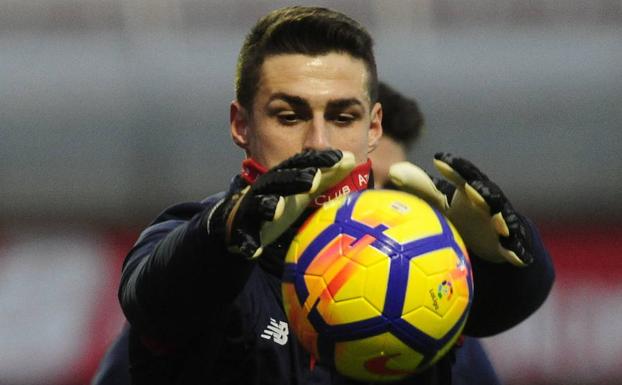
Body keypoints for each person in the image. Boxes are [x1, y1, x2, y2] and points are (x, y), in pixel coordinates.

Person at [108, 6, 554, 385]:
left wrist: (508, 257)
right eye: (288, 115)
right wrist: (224, 233)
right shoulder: (202, 244)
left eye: (342, 117)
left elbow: (507, 305)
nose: (318, 141)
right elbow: (153, 303)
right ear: (241, 125)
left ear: (374, 127)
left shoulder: (421, 251)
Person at [369, 82, 500, 385]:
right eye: (362, 179)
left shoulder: (437, 327)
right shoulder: (250, 293)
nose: (375, 201)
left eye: (391, 188)